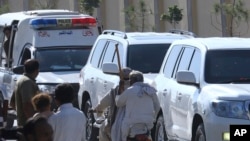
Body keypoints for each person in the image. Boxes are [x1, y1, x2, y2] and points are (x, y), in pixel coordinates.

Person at [115, 70, 160, 141]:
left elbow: (118, 103)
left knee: (118, 132)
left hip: (129, 126)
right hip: (147, 125)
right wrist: (153, 118)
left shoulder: (129, 91)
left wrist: (120, 91)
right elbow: (157, 106)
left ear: (132, 81)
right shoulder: (151, 90)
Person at [93, 67, 132, 141]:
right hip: (140, 125)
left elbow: (102, 104)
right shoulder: (141, 91)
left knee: (102, 129)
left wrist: (97, 110)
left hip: (119, 123)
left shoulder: (115, 91)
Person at [13, 59, 40, 127]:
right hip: (28, 126)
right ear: (37, 71)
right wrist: (34, 123)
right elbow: (27, 106)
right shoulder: (27, 82)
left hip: (23, 123)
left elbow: (12, 103)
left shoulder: (21, 80)